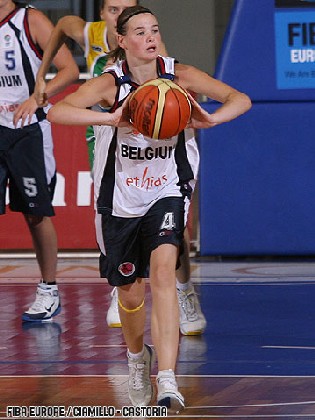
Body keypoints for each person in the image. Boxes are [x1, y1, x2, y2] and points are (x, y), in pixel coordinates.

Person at [47, 6, 251, 411]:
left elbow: (239, 98)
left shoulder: (180, 76)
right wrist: (110, 120)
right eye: (139, 31)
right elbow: (58, 110)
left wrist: (210, 120)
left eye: (154, 29)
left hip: (167, 190)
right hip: (120, 198)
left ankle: (169, 378)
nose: (150, 36)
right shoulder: (111, 83)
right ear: (121, 41)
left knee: (163, 271)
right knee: (128, 290)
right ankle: (138, 357)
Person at [35, 0, 207, 336]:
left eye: (126, 9)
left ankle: (184, 289)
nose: (120, 15)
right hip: (103, 134)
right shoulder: (90, 34)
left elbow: (174, 85)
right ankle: (122, 283)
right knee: (112, 216)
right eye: (113, 9)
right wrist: (43, 75)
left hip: (156, 138)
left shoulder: (150, 47)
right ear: (104, 16)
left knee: (173, 225)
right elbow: (62, 25)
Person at [0, 0, 79, 322]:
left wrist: (37, 96)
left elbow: (70, 70)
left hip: (26, 130)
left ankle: (48, 288)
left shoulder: (29, 19)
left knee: (36, 214)